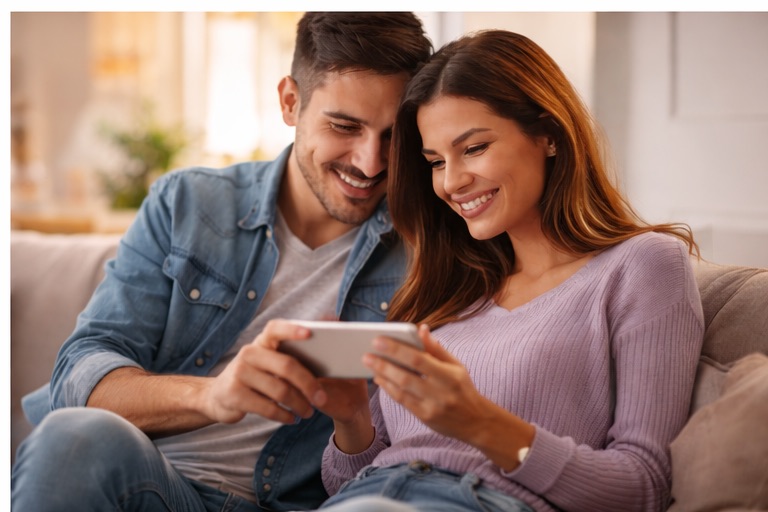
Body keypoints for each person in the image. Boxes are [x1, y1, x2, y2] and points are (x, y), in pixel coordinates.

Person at [11, 12, 432, 512]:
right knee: (74, 437)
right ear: (290, 102)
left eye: (392, 136)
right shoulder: (187, 204)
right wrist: (211, 396)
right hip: (156, 487)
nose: (370, 162)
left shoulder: (426, 250)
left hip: (299, 503)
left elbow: (404, 459)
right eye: (344, 127)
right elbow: (81, 374)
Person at [315, 30, 705, 512]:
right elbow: (343, 482)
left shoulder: (642, 265)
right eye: (435, 162)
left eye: (474, 148)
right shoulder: (448, 289)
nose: (451, 182)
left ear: (549, 134)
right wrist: (353, 418)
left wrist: (479, 422)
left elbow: (642, 488)